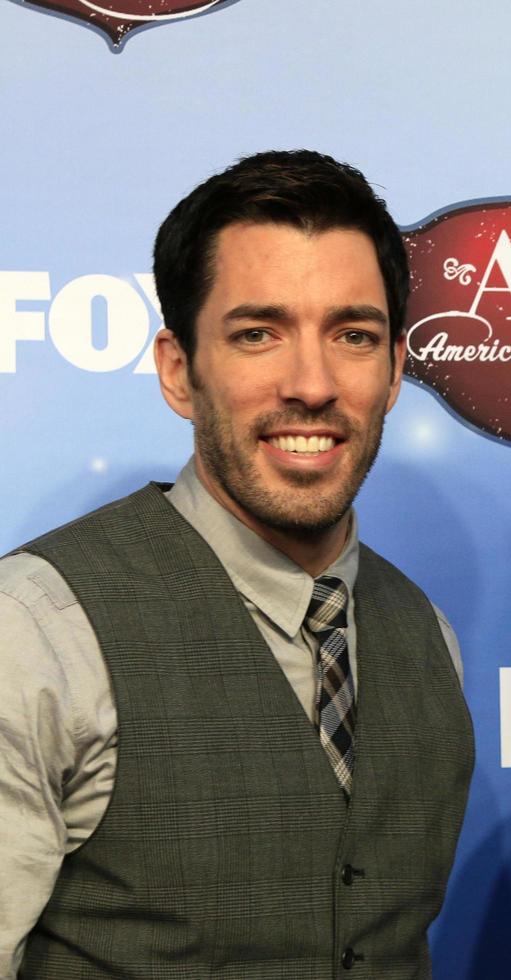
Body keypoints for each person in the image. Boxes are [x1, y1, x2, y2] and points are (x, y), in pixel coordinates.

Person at [0, 150, 474, 978]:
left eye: (353, 336)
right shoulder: (37, 630)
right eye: (259, 333)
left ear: (396, 372)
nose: (312, 384)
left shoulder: (425, 634)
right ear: (179, 372)